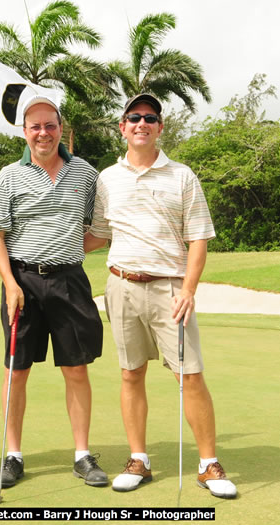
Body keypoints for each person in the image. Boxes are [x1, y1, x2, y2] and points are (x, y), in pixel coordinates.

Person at [84, 94, 238, 499]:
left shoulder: (182, 176)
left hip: (170, 288)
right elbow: (99, 233)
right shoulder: (107, 178)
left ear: (160, 127)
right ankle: (139, 459)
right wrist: (45, 245)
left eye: (149, 118)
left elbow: (199, 238)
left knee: (189, 376)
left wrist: (188, 289)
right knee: (131, 373)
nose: (141, 123)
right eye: (133, 117)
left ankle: (208, 464)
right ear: (122, 127)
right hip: (120, 285)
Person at [0, 95, 107, 489]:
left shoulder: (86, 174)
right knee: (16, 370)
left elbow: (98, 230)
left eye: (50, 125)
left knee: (76, 368)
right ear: (24, 132)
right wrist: (9, 283)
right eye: (35, 126)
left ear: (60, 128)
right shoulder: (8, 176)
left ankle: (82, 455)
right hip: (21, 282)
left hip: (70, 280)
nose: (43, 133)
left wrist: (67, 247)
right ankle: (13, 455)